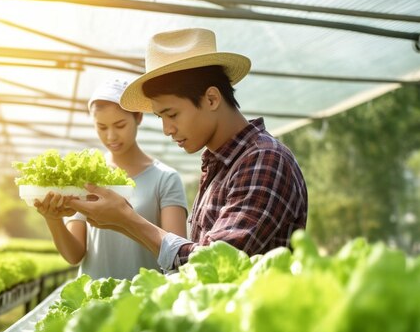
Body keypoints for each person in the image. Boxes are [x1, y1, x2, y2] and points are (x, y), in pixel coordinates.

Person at [67, 28, 308, 272]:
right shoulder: (221, 165)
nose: (166, 129)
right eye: (160, 117)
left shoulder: (264, 160)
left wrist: (128, 220)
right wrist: (119, 221)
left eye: (171, 114)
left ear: (211, 99)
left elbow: (214, 264)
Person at [33, 78, 188, 280]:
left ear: (138, 117)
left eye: (120, 125)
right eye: (102, 127)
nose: (111, 136)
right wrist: (52, 219)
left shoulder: (165, 178)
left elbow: (177, 257)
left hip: (145, 301)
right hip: (93, 302)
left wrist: (124, 219)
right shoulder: (85, 176)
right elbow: (74, 255)